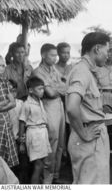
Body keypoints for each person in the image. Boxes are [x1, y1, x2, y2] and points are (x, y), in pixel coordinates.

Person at [66, 32, 111, 184]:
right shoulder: (82, 71)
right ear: (97, 49)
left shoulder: (86, 71)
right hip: (89, 138)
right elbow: (72, 107)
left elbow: (83, 104)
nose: (107, 56)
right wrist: (84, 134)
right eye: (107, 51)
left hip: (90, 136)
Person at [32, 44, 66, 184]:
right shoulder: (38, 72)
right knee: (51, 141)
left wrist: (57, 87)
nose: (55, 58)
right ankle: (47, 179)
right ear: (43, 55)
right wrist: (58, 88)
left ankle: (55, 176)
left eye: (55, 55)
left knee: (60, 142)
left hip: (59, 105)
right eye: (52, 55)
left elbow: (65, 86)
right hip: (48, 106)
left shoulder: (53, 69)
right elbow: (51, 93)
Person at [19, 77, 52, 184]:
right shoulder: (27, 104)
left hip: (42, 134)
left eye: (43, 88)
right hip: (34, 135)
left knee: (41, 164)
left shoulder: (39, 101)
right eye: (39, 89)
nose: (42, 91)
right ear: (31, 90)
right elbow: (22, 123)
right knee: (38, 165)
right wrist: (22, 143)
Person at [0, 74, 19, 169]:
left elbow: (13, 103)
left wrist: (2, 105)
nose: (2, 68)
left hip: (4, 122)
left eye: (3, 65)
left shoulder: (4, 82)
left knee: (4, 157)